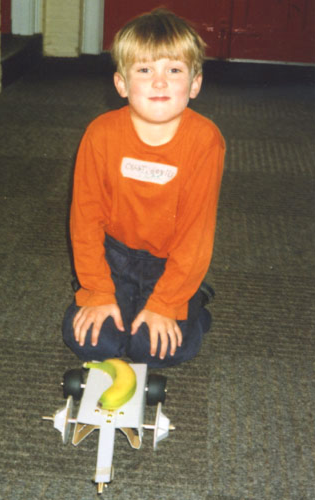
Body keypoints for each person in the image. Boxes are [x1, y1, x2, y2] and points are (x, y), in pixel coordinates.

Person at [62, 8, 225, 368]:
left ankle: (193, 303)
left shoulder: (205, 140)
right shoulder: (100, 133)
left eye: (175, 70)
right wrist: (97, 291)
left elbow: (196, 233)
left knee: (157, 350)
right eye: (145, 69)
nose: (160, 82)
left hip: (171, 261)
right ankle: (148, 303)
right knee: (89, 342)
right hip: (114, 255)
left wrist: (167, 304)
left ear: (195, 84)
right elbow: (85, 219)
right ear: (121, 84)